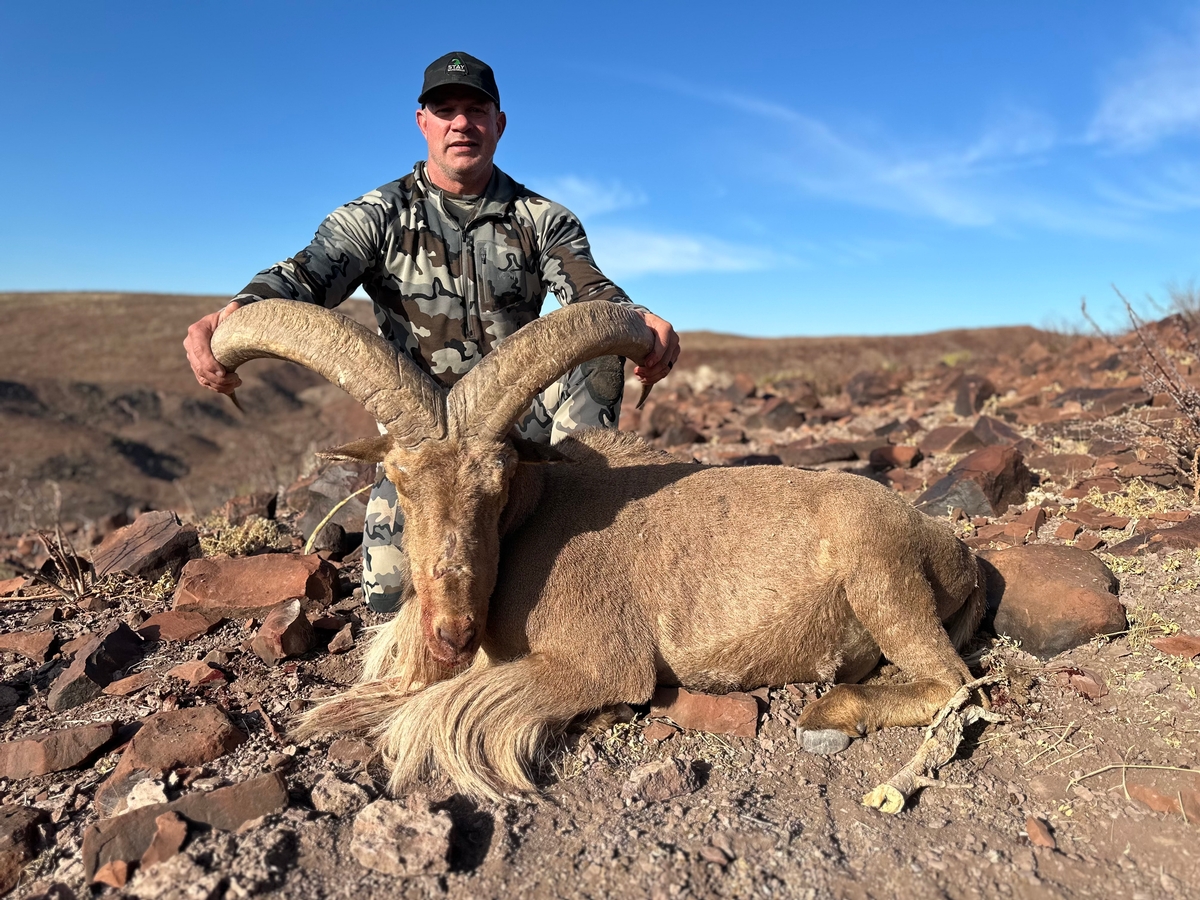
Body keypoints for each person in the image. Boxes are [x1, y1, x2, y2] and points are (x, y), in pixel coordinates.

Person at [184, 51, 680, 612]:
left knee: (598, 350)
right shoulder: (377, 214)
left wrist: (638, 319)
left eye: (476, 110)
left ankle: (579, 529)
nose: (461, 123)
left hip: (508, 430)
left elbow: (591, 291)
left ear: (499, 123)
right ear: (423, 122)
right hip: (422, 445)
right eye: (445, 110)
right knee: (389, 596)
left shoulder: (544, 219)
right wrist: (240, 310)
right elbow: (308, 273)